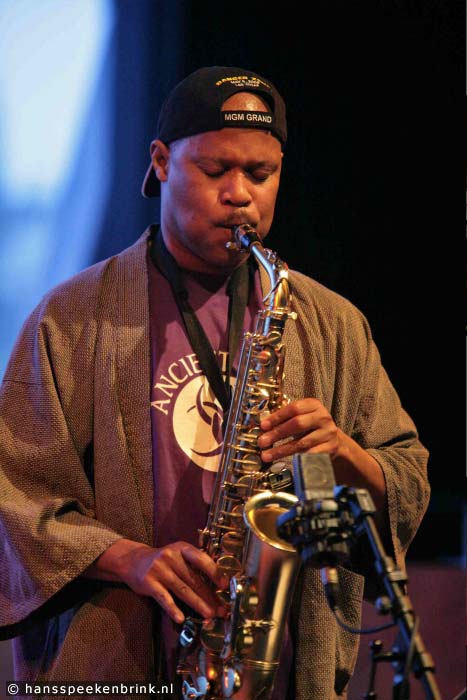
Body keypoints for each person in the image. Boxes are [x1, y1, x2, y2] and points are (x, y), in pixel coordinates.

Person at [0, 66, 429, 700]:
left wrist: (346, 454)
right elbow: (15, 498)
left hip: (279, 669)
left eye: (261, 175)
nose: (240, 195)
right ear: (163, 162)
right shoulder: (69, 319)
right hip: (115, 670)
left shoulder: (333, 322)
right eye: (216, 170)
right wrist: (131, 559)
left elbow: (410, 478)